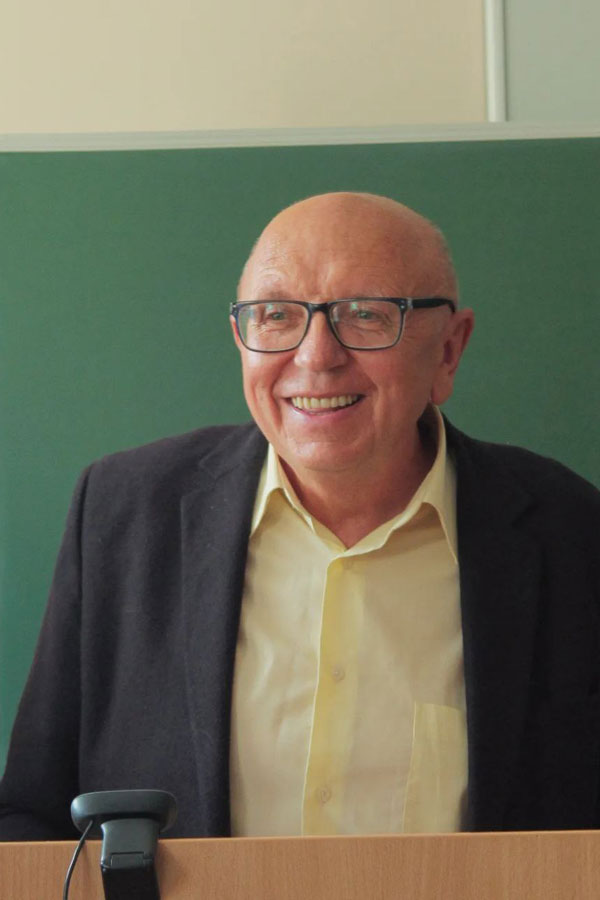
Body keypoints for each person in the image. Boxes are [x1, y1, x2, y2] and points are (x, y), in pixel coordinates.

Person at [0, 192, 599, 841]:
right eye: (276, 316)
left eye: (366, 315)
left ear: (449, 350)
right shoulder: (123, 516)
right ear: (241, 338)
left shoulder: (571, 536)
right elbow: (31, 817)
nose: (316, 356)